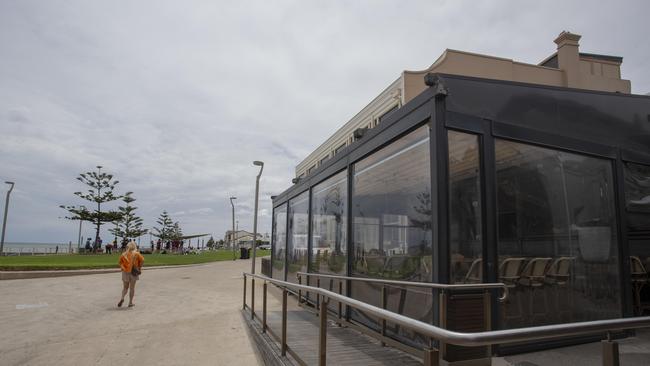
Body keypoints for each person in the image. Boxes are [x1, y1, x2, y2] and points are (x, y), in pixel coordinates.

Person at [117, 241, 144, 308]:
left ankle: (122, 298)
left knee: (125, 287)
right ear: (135, 246)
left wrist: (123, 268)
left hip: (125, 272)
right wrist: (139, 267)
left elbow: (120, 263)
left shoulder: (124, 254)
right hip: (133, 272)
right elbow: (142, 260)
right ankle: (130, 302)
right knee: (132, 288)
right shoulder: (137, 254)